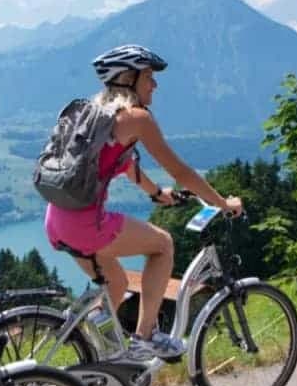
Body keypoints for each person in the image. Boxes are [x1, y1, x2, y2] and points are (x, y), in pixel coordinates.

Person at [43, 44, 243, 361]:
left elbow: (122, 165)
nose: (155, 84)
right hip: (86, 225)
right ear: (128, 78)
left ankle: (94, 356)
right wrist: (221, 202)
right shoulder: (137, 118)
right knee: (162, 244)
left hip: (56, 220)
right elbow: (180, 171)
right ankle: (146, 337)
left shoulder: (93, 115)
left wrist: (156, 194)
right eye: (148, 76)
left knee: (118, 283)